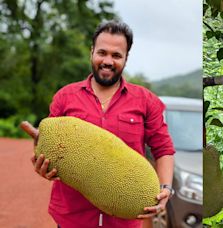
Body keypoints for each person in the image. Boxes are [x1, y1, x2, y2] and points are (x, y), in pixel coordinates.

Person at [21, 21, 175, 228]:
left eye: (116, 55)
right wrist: (42, 165)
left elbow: (163, 148)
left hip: (123, 221)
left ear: (126, 58)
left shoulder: (146, 101)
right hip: (72, 218)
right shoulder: (65, 97)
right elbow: (50, 147)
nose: (108, 61)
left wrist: (165, 187)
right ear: (91, 52)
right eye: (102, 52)